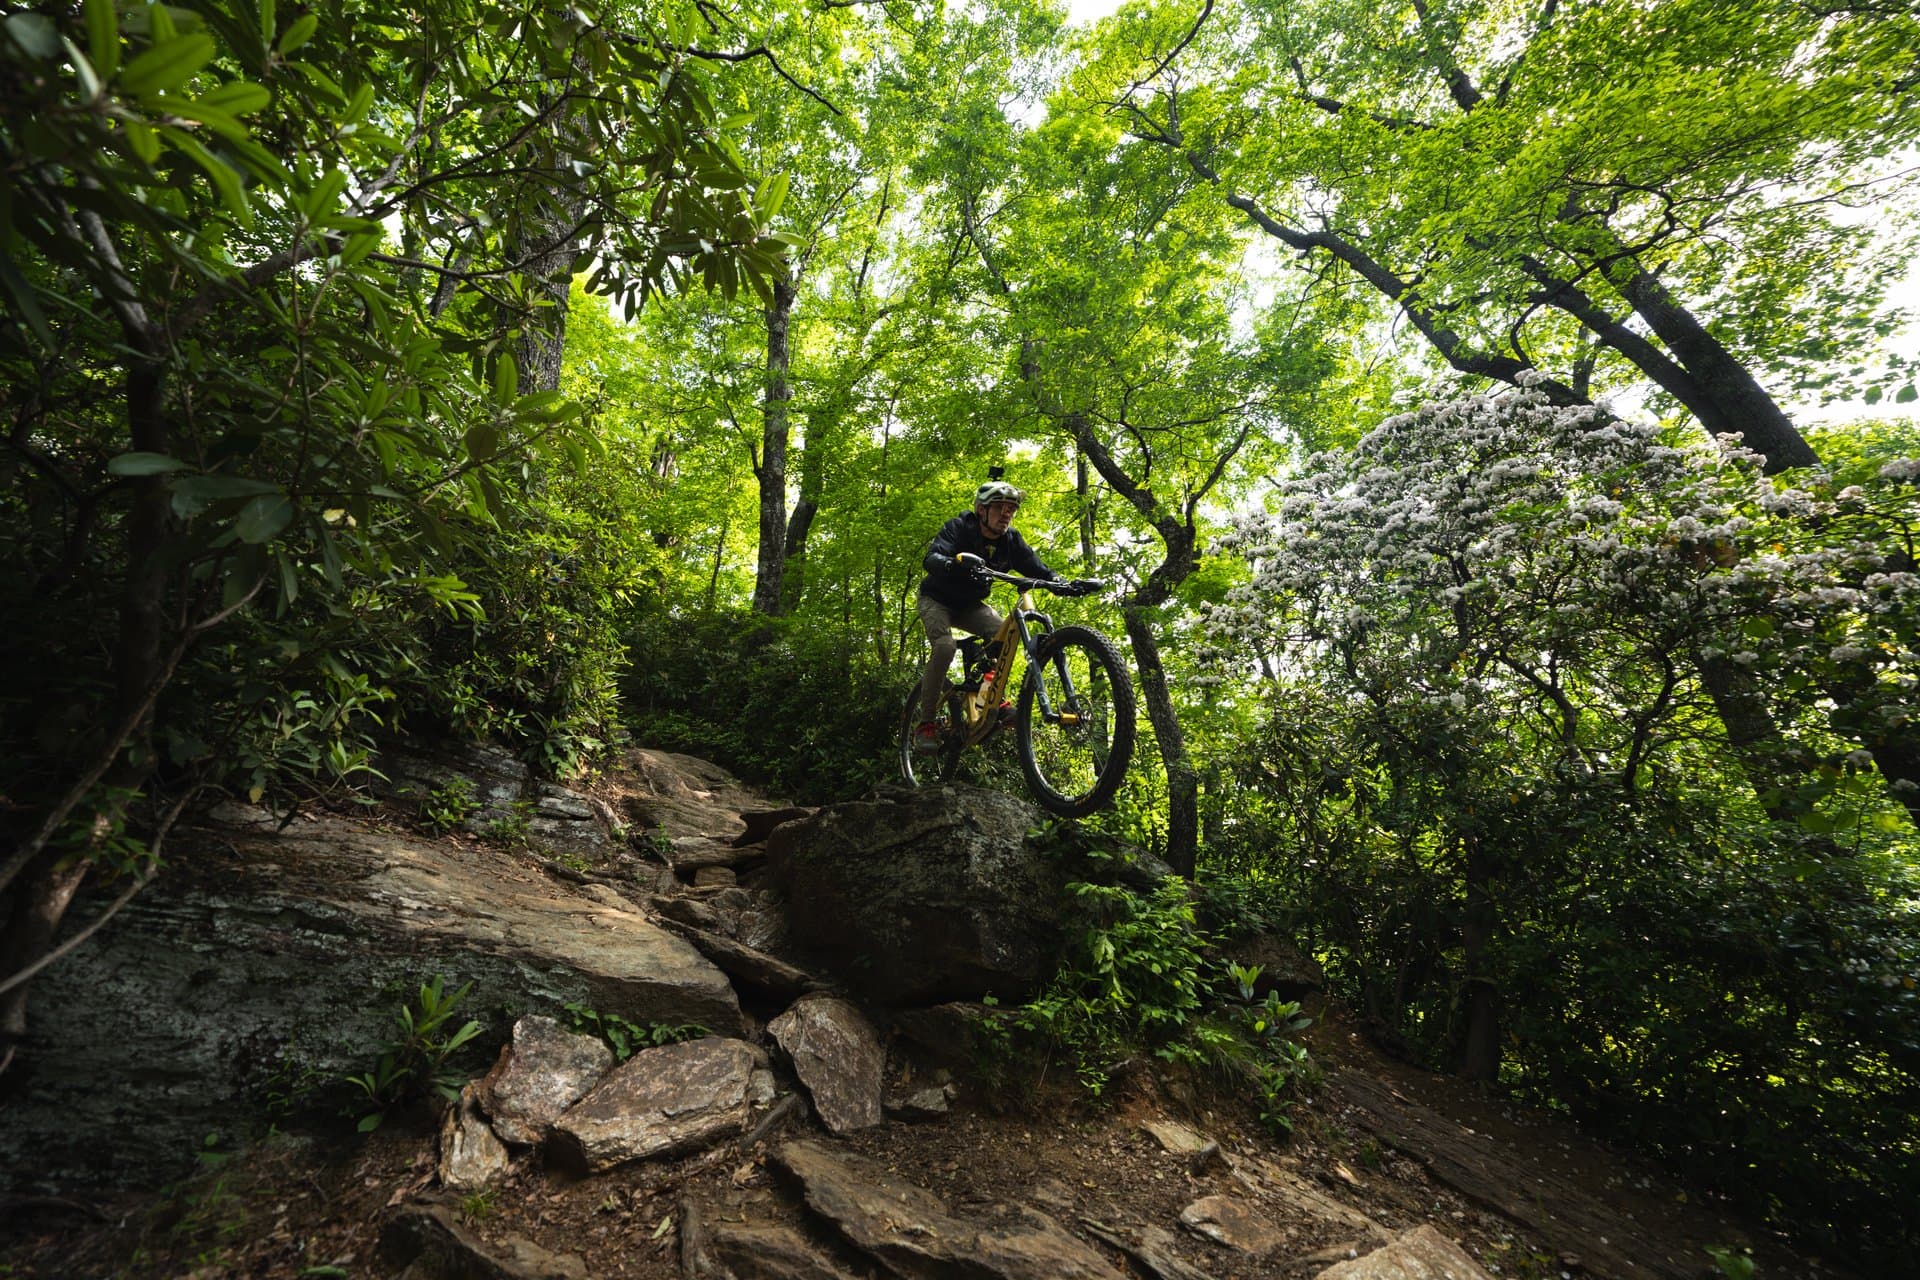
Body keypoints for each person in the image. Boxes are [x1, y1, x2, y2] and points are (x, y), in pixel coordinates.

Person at [913, 478, 1058, 750]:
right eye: (1000, 507)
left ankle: (988, 697)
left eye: (1011, 510)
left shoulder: (1011, 540)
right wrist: (950, 564)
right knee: (944, 647)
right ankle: (927, 723)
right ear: (982, 510)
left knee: (1003, 635)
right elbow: (931, 558)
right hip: (937, 600)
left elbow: (1035, 567)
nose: (1007, 514)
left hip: (970, 605)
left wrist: (1059, 581)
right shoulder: (958, 527)